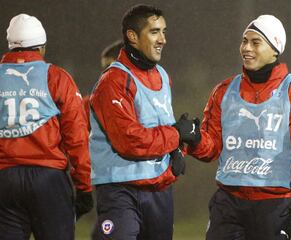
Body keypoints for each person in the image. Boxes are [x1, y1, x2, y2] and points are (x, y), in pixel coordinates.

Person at [187, 15, 291, 240]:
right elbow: (211, 149)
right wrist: (194, 140)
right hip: (228, 202)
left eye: (255, 42)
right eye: (244, 41)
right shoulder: (223, 91)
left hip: (274, 205)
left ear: (275, 48)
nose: (246, 48)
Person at [89, 4, 200, 240]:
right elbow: (130, 140)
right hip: (121, 189)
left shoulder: (161, 75)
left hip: (159, 189)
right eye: (154, 32)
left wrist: (178, 151)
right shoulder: (114, 80)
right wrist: (176, 136)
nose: (163, 39)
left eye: (164, 31)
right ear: (132, 36)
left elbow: (163, 125)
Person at [0, 14, 93, 240]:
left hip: (4, 179)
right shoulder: (57, 77)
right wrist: (84, 186)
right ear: (41, 48)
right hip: (49, 179)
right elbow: (77, 136)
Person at [83, 40, 124, 128]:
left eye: (110, 66)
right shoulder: (90, 105)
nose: (105, 72)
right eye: (105, 68)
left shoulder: (149, 99)